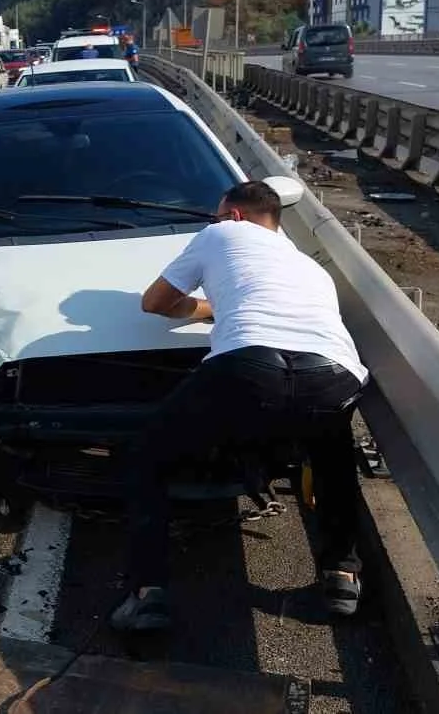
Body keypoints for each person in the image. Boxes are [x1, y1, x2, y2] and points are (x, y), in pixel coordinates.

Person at [112, 180, 369, 632]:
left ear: (233, 215)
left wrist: (198, 309)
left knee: (147, 457)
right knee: (333, 462)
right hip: (333, 372)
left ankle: (147, 593)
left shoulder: (221, 234)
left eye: (216, 215)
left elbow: (155, 302)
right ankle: (341, 576)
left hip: (250, 365)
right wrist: (221, 307)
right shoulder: (307, 264)